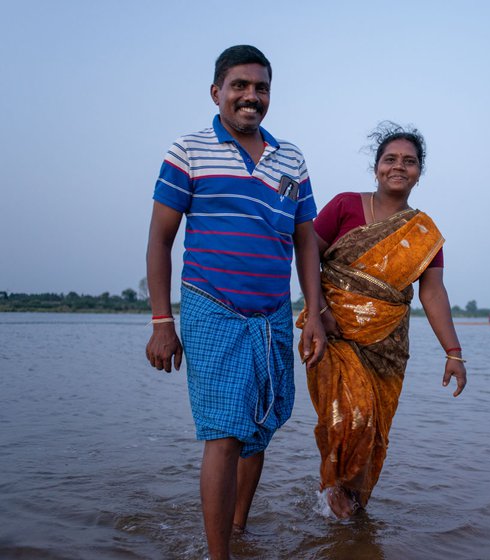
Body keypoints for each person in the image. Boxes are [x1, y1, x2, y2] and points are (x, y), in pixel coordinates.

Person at [144, 45, 326, 559]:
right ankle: (218, 554)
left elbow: (306, 240)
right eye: (240, 86)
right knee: (224, 431)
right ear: (216, 92)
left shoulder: (290, 158)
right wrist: (162, 322)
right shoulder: (189, 150)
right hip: (211, 305)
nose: (251, 96)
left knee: (261, 425)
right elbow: (160, 239)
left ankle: (240, 526)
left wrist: (311, 314)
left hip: (271, 313)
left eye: (261, 88)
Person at [297, 122, 467, 518]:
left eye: (409, 162)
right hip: (330, 333)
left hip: (387, 346)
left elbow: (433, 293)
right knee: (349, 420)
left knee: (373, 433)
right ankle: (340, 510)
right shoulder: (344, 205)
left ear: (419, 173)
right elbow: (307, 254)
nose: (399, 167)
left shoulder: (424, 233)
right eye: (390, 159)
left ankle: (348, 511)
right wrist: (318, 313)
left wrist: (454, 352)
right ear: (376, 168)